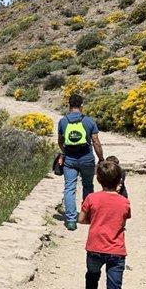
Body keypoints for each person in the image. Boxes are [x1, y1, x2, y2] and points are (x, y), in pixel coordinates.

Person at [79, 160, 131, 289]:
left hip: (94, 247)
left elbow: (81, 219)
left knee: (92, 278)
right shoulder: (124, 202)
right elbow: (124, 220)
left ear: (98, 179)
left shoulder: (91, 198)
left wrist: (94, 222)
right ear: (119, 180)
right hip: (116, 251)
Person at [58, 93, 104, 230]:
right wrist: (101, 158)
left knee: (69, 188)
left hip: (70, 160)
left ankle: (71, 220)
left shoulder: (63, 121)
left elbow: (60, 141)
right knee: (88, 186)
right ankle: (87, 215)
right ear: (81, 106)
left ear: (69, 105)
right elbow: (96, 141)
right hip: (87, 158)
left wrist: (65, 152)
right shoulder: (89, 121)